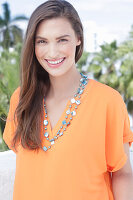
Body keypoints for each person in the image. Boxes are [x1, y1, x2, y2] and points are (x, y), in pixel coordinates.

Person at [3, 0, 133, 200]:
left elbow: (123, 174)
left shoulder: (108, 101)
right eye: (42, 41)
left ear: (78, 39)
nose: (52, 52)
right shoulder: (21, 99)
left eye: (62, 39)